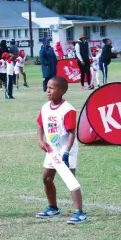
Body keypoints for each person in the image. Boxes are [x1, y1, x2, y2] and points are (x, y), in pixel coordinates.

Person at [36, 76, 87, 224]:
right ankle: (53, 208)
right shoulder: (45, 107)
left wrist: (66, 152)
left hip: (66, 150)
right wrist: (40, 140)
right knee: (46, 178)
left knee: (70, 180)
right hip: (51, 150)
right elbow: (40, 124)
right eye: (47, 88)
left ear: (62, 91)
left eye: (51, 88)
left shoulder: (68, 109)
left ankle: (79, 212)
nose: (48, 91)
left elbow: (72, 133)